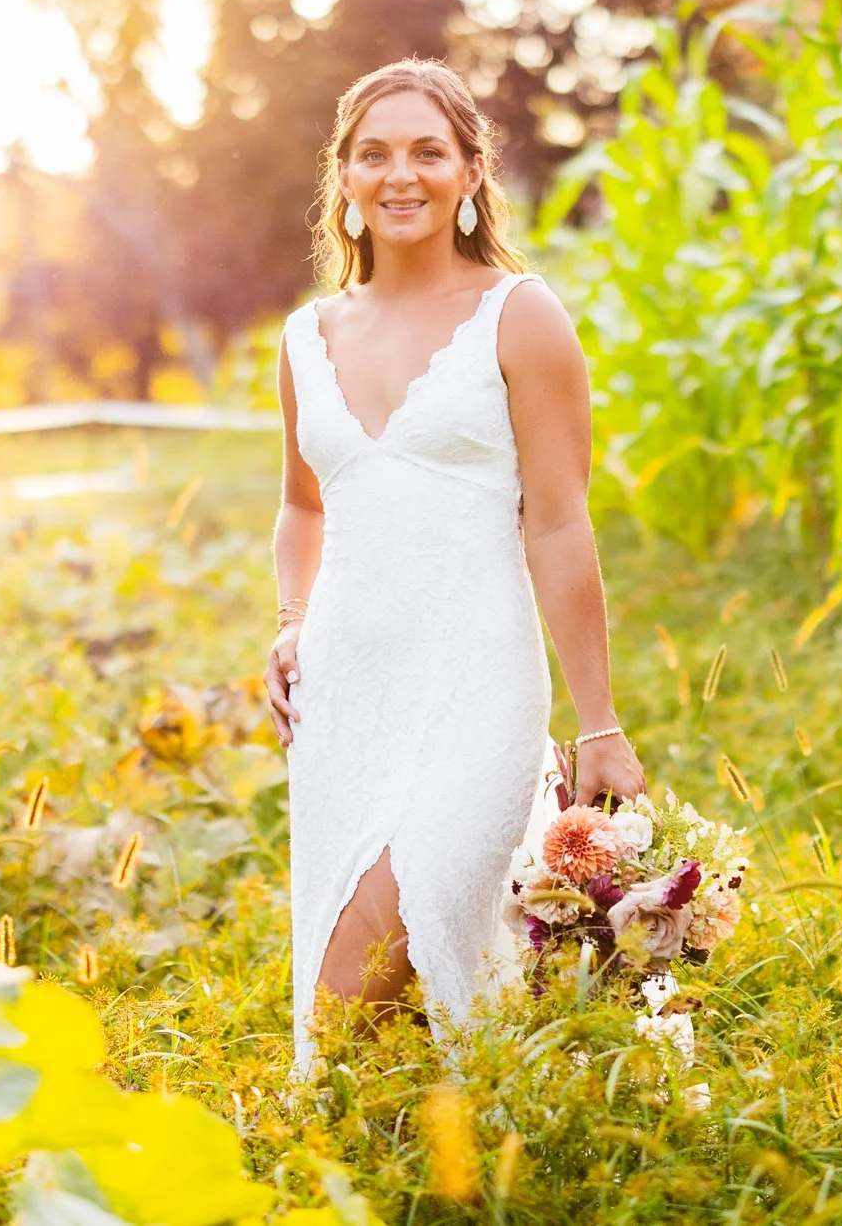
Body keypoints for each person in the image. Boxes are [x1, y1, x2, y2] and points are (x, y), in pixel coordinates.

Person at [266, 59, 644, 1074]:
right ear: (343, 176)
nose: (402, 174)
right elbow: (304, 505)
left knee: (420, 893)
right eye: (375, 153)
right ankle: (430, 1148)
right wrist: (291, 620)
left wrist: (598, 719)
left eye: (428, 151)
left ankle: (457, 1117)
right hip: (345, 690)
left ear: (470, 170)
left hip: (479, 675)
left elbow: (560, 525)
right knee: (358, 1006)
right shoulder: (306, 336)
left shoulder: (519, 314)